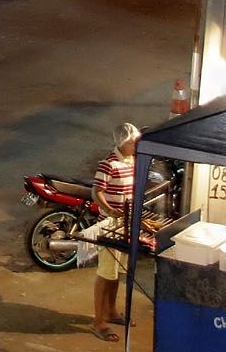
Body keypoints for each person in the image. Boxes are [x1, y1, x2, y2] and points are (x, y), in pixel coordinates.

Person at [88, 122, 140, 341]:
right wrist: (109, 210)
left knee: (117, 271)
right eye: (132, 142)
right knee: (105, 273)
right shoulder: (108, 164)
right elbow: (96, 191)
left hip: (125, 225)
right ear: (122, 142)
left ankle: (112, 311)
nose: (135, 145)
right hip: (109, 226)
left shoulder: (132, 162)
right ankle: (98, 322)